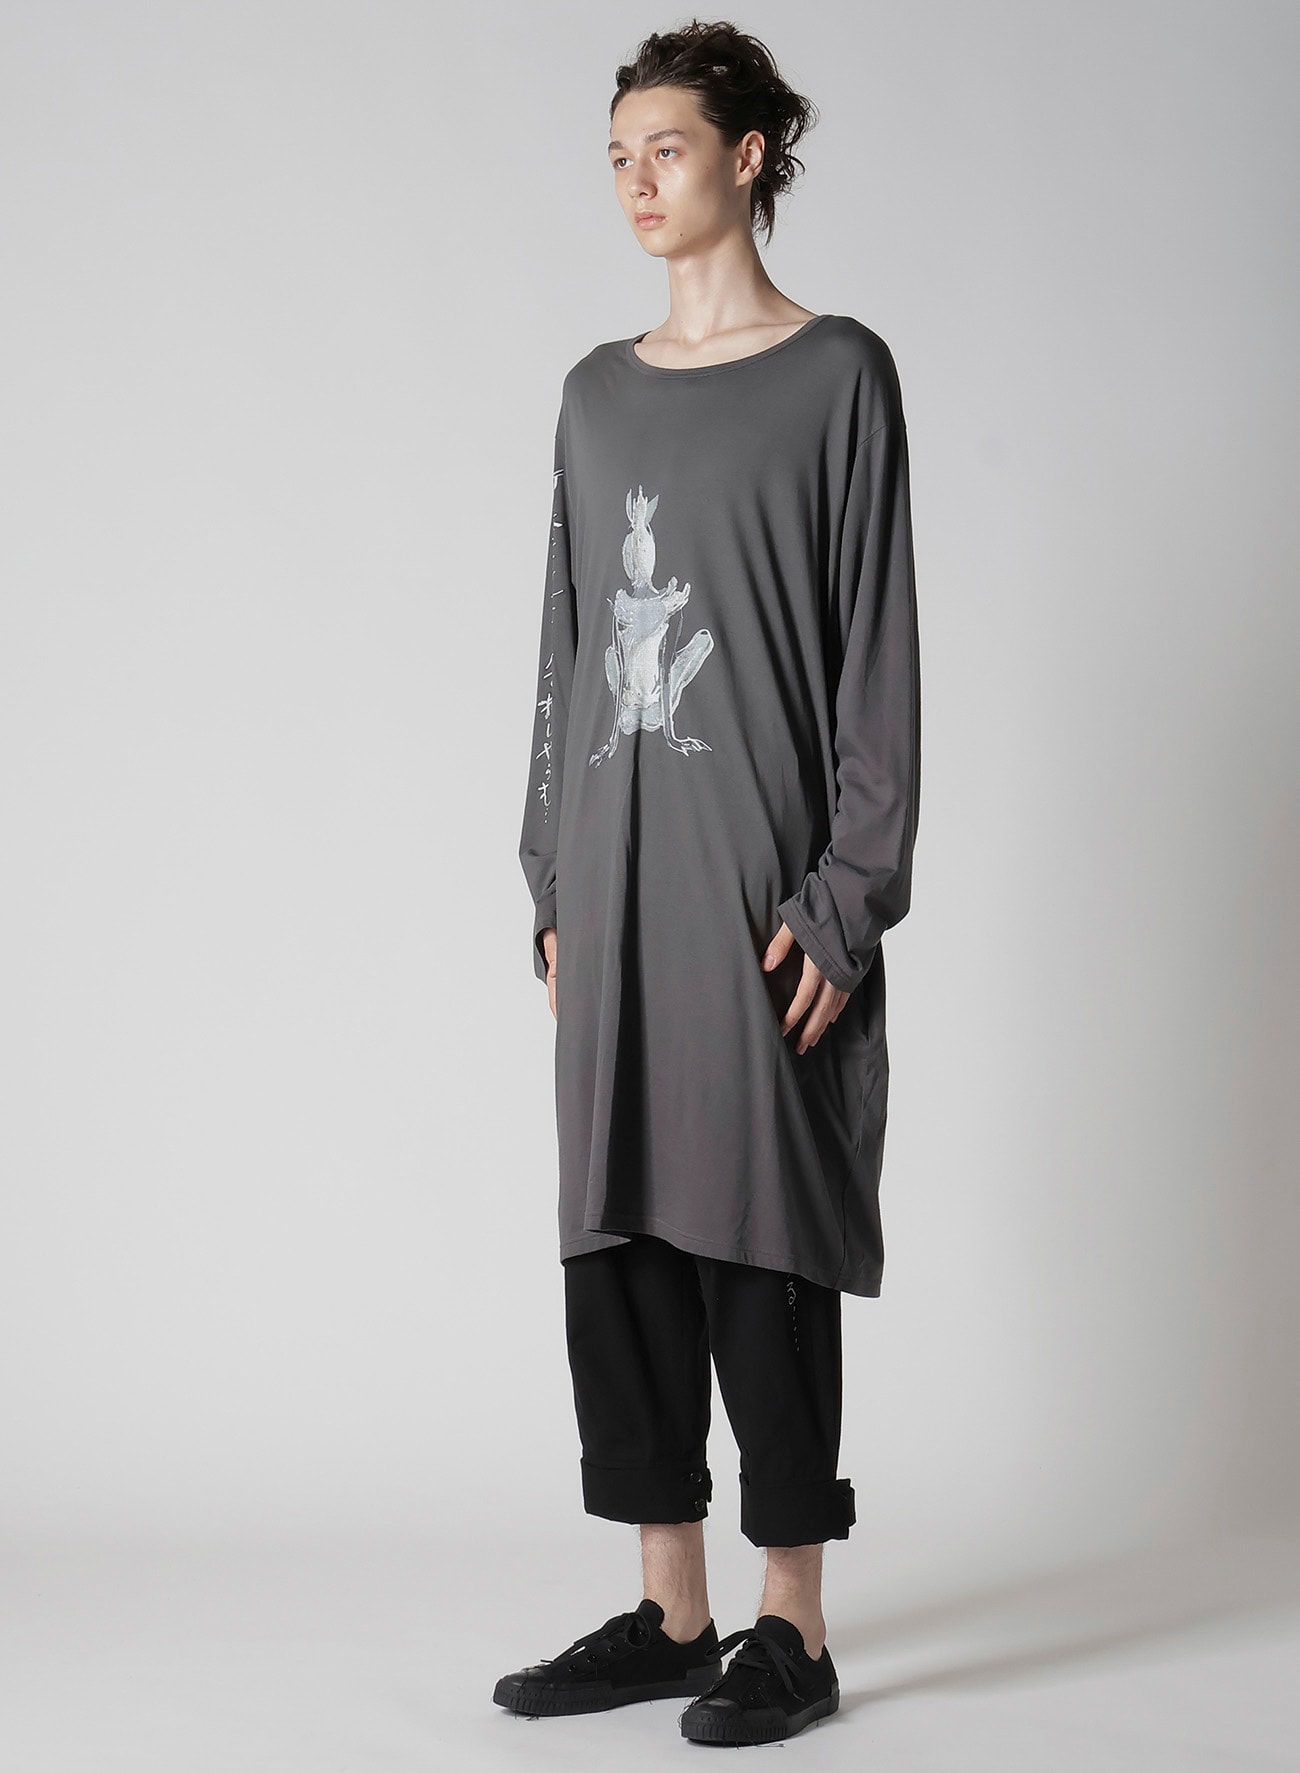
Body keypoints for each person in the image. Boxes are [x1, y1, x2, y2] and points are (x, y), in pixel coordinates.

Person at [500, 18, 921, 1748]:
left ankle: (790, 1624)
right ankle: (671, 1610)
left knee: (764, 1231)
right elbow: (564, 650)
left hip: (762, 891)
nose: (636, 181)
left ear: (749, 155)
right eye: (618, 156)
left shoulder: (838, 377)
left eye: (664, 148)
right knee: (621, 1233)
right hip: (611, 882)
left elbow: (875, 654)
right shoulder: (593, 395)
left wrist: (850, 892)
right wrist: (545, 868)